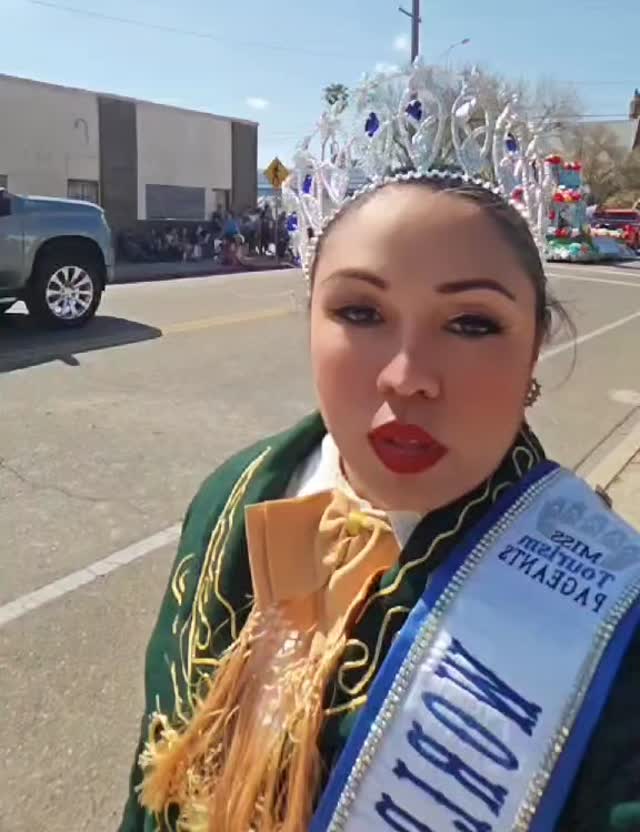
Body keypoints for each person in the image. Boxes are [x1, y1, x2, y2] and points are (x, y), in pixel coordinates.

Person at [118, 66, 640, 832]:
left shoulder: (613, 632)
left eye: (471, 323)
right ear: (309, 320)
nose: (406, 376)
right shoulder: (235, 495)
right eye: (360, 312)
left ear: (535, 346)